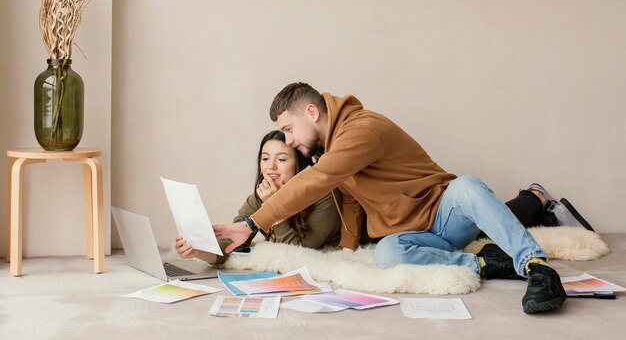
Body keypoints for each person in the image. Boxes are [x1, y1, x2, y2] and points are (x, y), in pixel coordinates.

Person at [214, 82, 571, 314]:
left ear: (312, 112)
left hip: (445, 214)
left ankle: (537, 267)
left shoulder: (362, 129)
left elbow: (320, 179)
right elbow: (351, 200)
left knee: (467, 185)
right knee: (387, 253)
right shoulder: (334, 148)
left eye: (289, 129)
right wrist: (349, 252)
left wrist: (252, 223)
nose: (288, 141)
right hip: (413, 235)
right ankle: (485, 265)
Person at [175, 130, 343, 265]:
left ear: (299, 165)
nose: (271, 167)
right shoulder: (259, 197)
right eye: (265, 158)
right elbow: (232, 243)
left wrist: (272, 205)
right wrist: (198, 251)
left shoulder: (325, 194)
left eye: (282, 159)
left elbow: (295, 255)